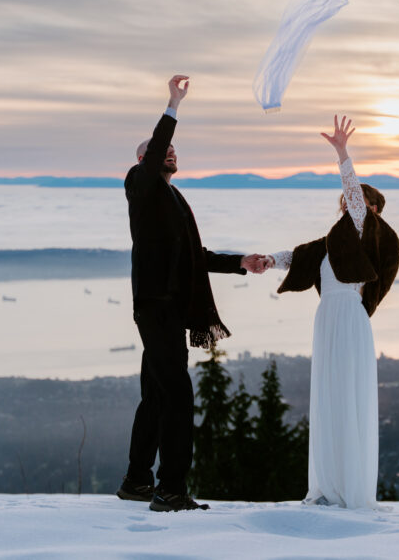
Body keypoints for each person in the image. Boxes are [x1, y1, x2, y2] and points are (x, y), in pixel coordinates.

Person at [117, 74, 268, 512]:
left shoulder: (172, 197)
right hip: (157, 307)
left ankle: (137, 480)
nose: (170, 152)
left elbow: (192, 255)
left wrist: (239, 261)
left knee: (156, 396)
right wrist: (173, 105)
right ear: (144, 159)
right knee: (178, 398)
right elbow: (154, 153)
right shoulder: (141, 185)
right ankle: (171, 489)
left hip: (166, 308)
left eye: (173, 150)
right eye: (161, 149)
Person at [266, 115, 399, 509]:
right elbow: (301, 256)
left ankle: (347, 488)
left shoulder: (368, 234)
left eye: (355, 202)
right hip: (328, 319)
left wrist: (342, 154)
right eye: (345, 202)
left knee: (345, 397)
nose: (348, 206)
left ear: (371, 210)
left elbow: (358, 205)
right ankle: (327, 487)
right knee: (328, 399)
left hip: (348, 319)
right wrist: (267, 260)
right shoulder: (335, 244)